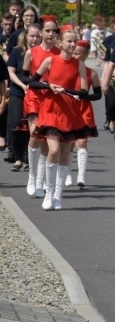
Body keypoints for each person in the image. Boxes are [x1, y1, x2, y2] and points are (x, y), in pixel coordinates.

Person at [29, 26, 89, 210]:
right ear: (59, 43)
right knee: (52, 150)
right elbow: (33, 81)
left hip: (69, 111)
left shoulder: (79, 64)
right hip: (51, 109)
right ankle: (48, 191)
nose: (72, 44)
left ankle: (58, 195)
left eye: (74, 41)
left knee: (64, 154)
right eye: (69, 41)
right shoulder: (50, 60)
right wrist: (49, 87)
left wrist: (68, 91)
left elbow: (84, 91)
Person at [21, 14, 60, 198]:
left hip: (53, 100)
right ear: (41, 31)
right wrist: (44, 85)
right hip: (35, 97)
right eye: (47, 30)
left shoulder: (60, 54)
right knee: (35, 134)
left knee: (46, 139)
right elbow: (24, 77)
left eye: (54, 31)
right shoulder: (32, 52)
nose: (51, 34)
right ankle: (32, 176)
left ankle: (40, 180)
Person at [7, 24, 41, 172]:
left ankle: (28, 159)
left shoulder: (42, 53)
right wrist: (22, 85)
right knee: (16, 124)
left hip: (37, 94)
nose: (34, 39)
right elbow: (11, 72)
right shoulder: (17, 52)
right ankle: (18, 158)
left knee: (31, 127)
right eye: (32, 36)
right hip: (18, 91)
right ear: (26, 36)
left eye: (37, 36)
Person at [68, 40, 101, 188]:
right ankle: (67, 172)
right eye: (73, 52)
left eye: (78, 53)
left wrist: (85, 96)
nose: (74, 55)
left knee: (81, 142)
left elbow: (98, 94)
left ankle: (81, 175)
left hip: (83, 108)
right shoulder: (65, 69)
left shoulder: (91, 73)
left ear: (86, 55)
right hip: (67, 107)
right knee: (67, 143)